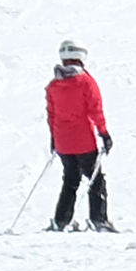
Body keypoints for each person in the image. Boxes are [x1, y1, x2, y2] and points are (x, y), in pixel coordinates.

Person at [45, 42, 114, 233]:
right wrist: (104, 133)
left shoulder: (53, 85)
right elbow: (95, 110)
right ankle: (98, 220)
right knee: (95, 180)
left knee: (70, 180)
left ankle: (61, 221)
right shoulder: (86, 82)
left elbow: (52, 114)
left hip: (63, 142)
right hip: (84, 141)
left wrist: (54, 137)